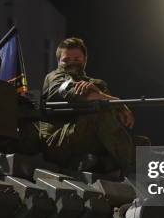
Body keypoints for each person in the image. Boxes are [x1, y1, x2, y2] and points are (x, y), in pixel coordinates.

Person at [41, 37, 135, 174]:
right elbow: (70, 93)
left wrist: (109, 101)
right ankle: (128, 168)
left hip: (87, 137)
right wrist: (118, 103)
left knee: (141, 142)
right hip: (59, 140)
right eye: (66, 60)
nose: (72, 63)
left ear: (85, 60)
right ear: (58, 62)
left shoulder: (97, 83)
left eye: (77, 59)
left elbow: (116, 118)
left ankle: (106, 162)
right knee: (98, 113)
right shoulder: (54, 77)